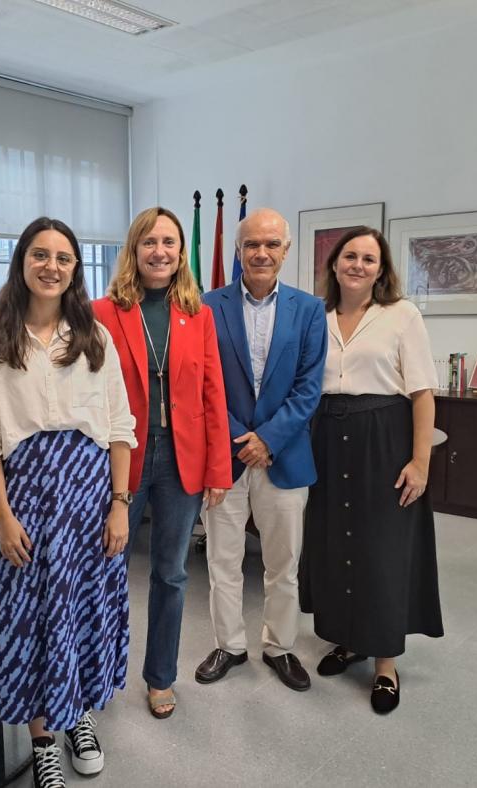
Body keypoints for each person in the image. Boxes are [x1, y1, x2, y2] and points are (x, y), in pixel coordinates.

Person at [0, 217, 136, 788]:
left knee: (83, 606)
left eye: (64, 258)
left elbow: (118, 425)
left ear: (75, 270)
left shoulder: (94, 336)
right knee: (34, 614)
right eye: (40, 255)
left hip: (90, 490)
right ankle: (42, 738)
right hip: (25, 492)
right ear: (22, 261)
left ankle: (78, 714)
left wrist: (119, 503)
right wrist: (2, 516)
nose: (52, 266)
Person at [93, 206, 232, 719]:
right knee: (108, 569)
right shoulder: (102, 312)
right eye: (149, 242)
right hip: (119, 460)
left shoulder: (199, 314)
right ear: (135, 249)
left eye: (169, 243)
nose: (160, 251)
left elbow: (214, 396)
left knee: (171, 574)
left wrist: (219, 469)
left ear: (180, 253)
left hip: (182, 461)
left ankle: (160, 677)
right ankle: (99, 670)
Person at [299, 226, 444, 715]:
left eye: (369, 259)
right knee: (335, 541)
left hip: (383, 438)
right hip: (327, 438)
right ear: (334, 264)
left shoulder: (402, 315)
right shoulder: (314, 316)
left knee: (382, 548)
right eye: (350, 256)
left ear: (381, 270)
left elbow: (423, 392)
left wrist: (420, 461)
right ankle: (346, 638)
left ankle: (385, 662)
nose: (358, 265)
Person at [195, 208, 327, 692]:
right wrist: (241, 439)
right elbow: (204, 385)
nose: (261, 252)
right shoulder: (207, 305)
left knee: (283, 565)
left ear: (286, 251)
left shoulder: (309, 310)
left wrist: (268, 439)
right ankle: (228, 645)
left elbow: (309, 388)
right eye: (252, 244)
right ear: (238, 250)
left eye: (272, 244)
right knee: (223, 563)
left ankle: (280, 646)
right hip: (223, 457)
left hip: (285, 457)